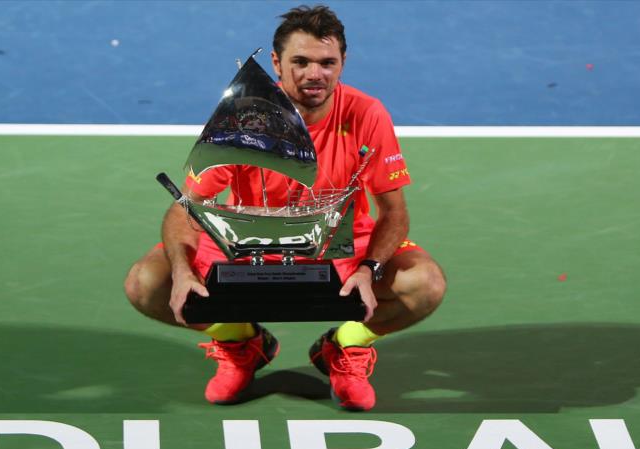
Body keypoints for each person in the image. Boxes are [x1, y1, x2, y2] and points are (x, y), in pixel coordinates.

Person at [124, 5, 446, 411]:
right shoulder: (244, 117)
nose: (315, 73)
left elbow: (394, 213)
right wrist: (184, 271)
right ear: (277, 63)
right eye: (301, 62)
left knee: (425, 284)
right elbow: (185, 208)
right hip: (248, 243)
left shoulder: (366, 113)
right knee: (147, 283)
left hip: (339, 244)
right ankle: (241, 341)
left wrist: (370, 269)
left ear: (343, 62)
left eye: (327, 62)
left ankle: (346, 345)